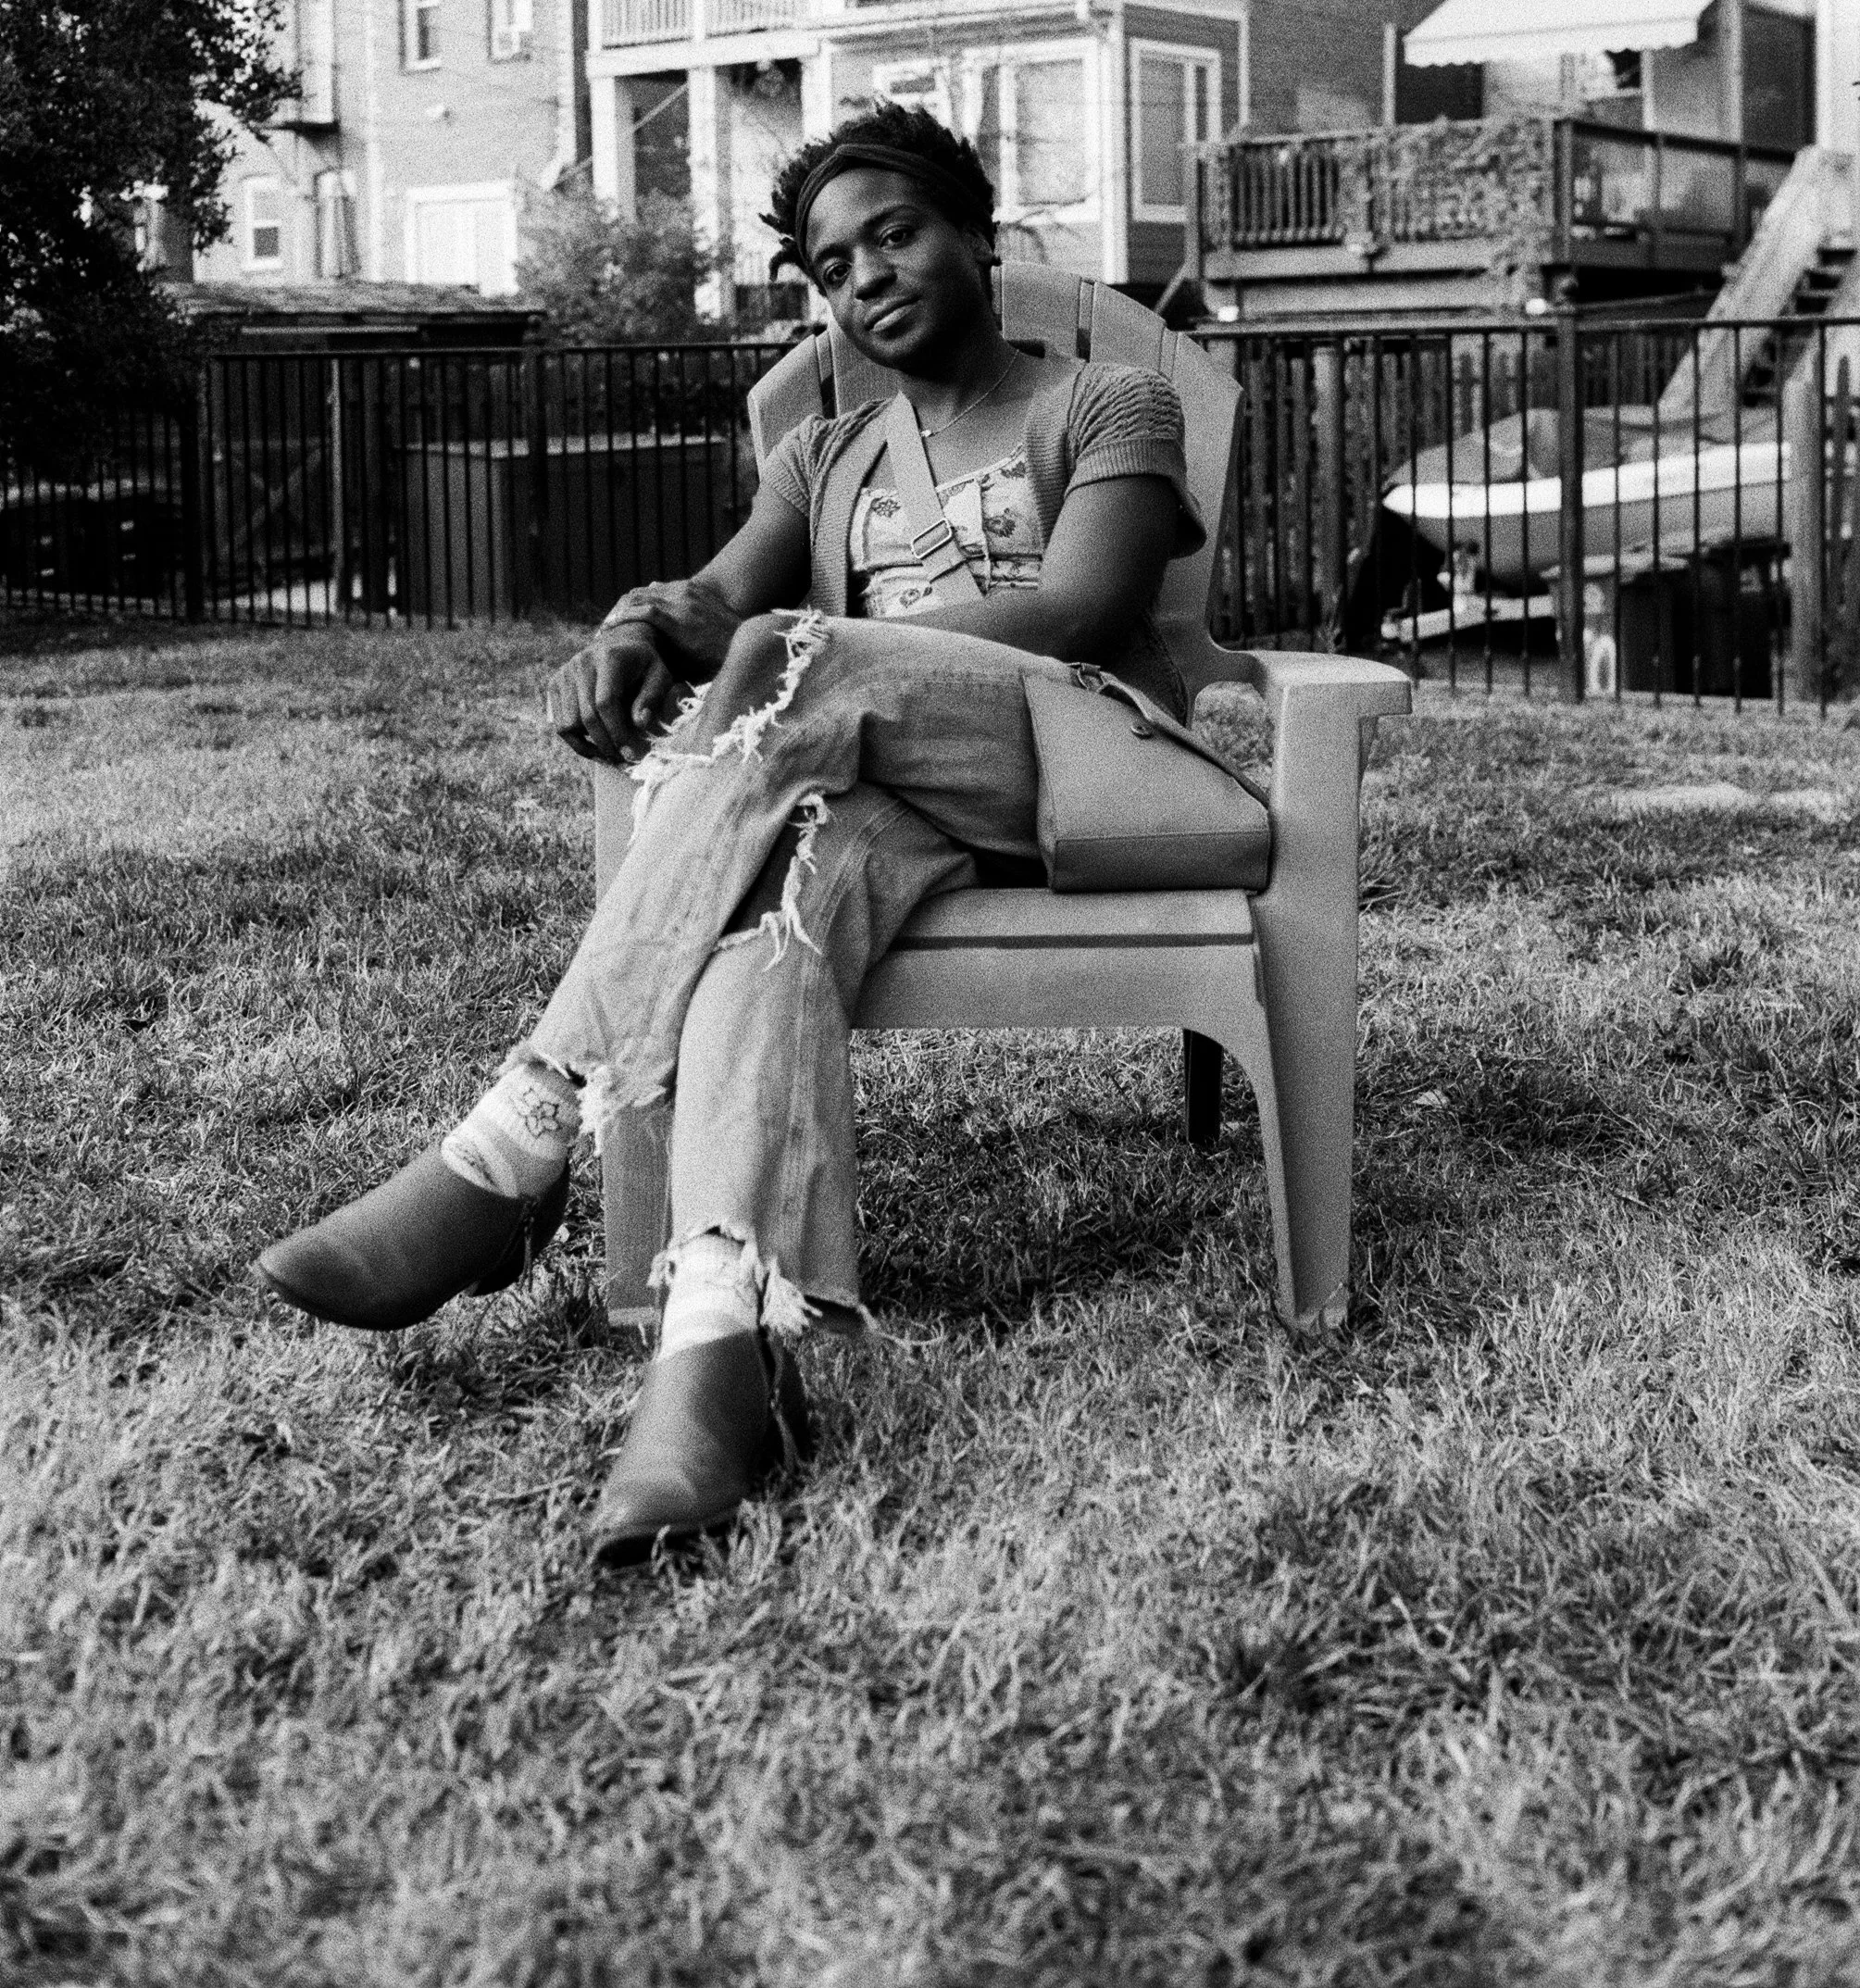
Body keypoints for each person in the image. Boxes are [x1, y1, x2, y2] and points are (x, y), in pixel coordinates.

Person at [258, 104, 1205, 1560]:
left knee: (790, 661)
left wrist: (797, 650)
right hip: (876, 796)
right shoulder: (824, 455)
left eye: (896, 234)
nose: (868, 275)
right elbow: (712, 603)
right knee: (771, 918)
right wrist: (639, 629)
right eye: (834, 266)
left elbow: (1083, 610)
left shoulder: (1104, 404)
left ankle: (518, 1138)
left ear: (977, 235)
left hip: (1069, 767)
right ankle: (721, 1343)